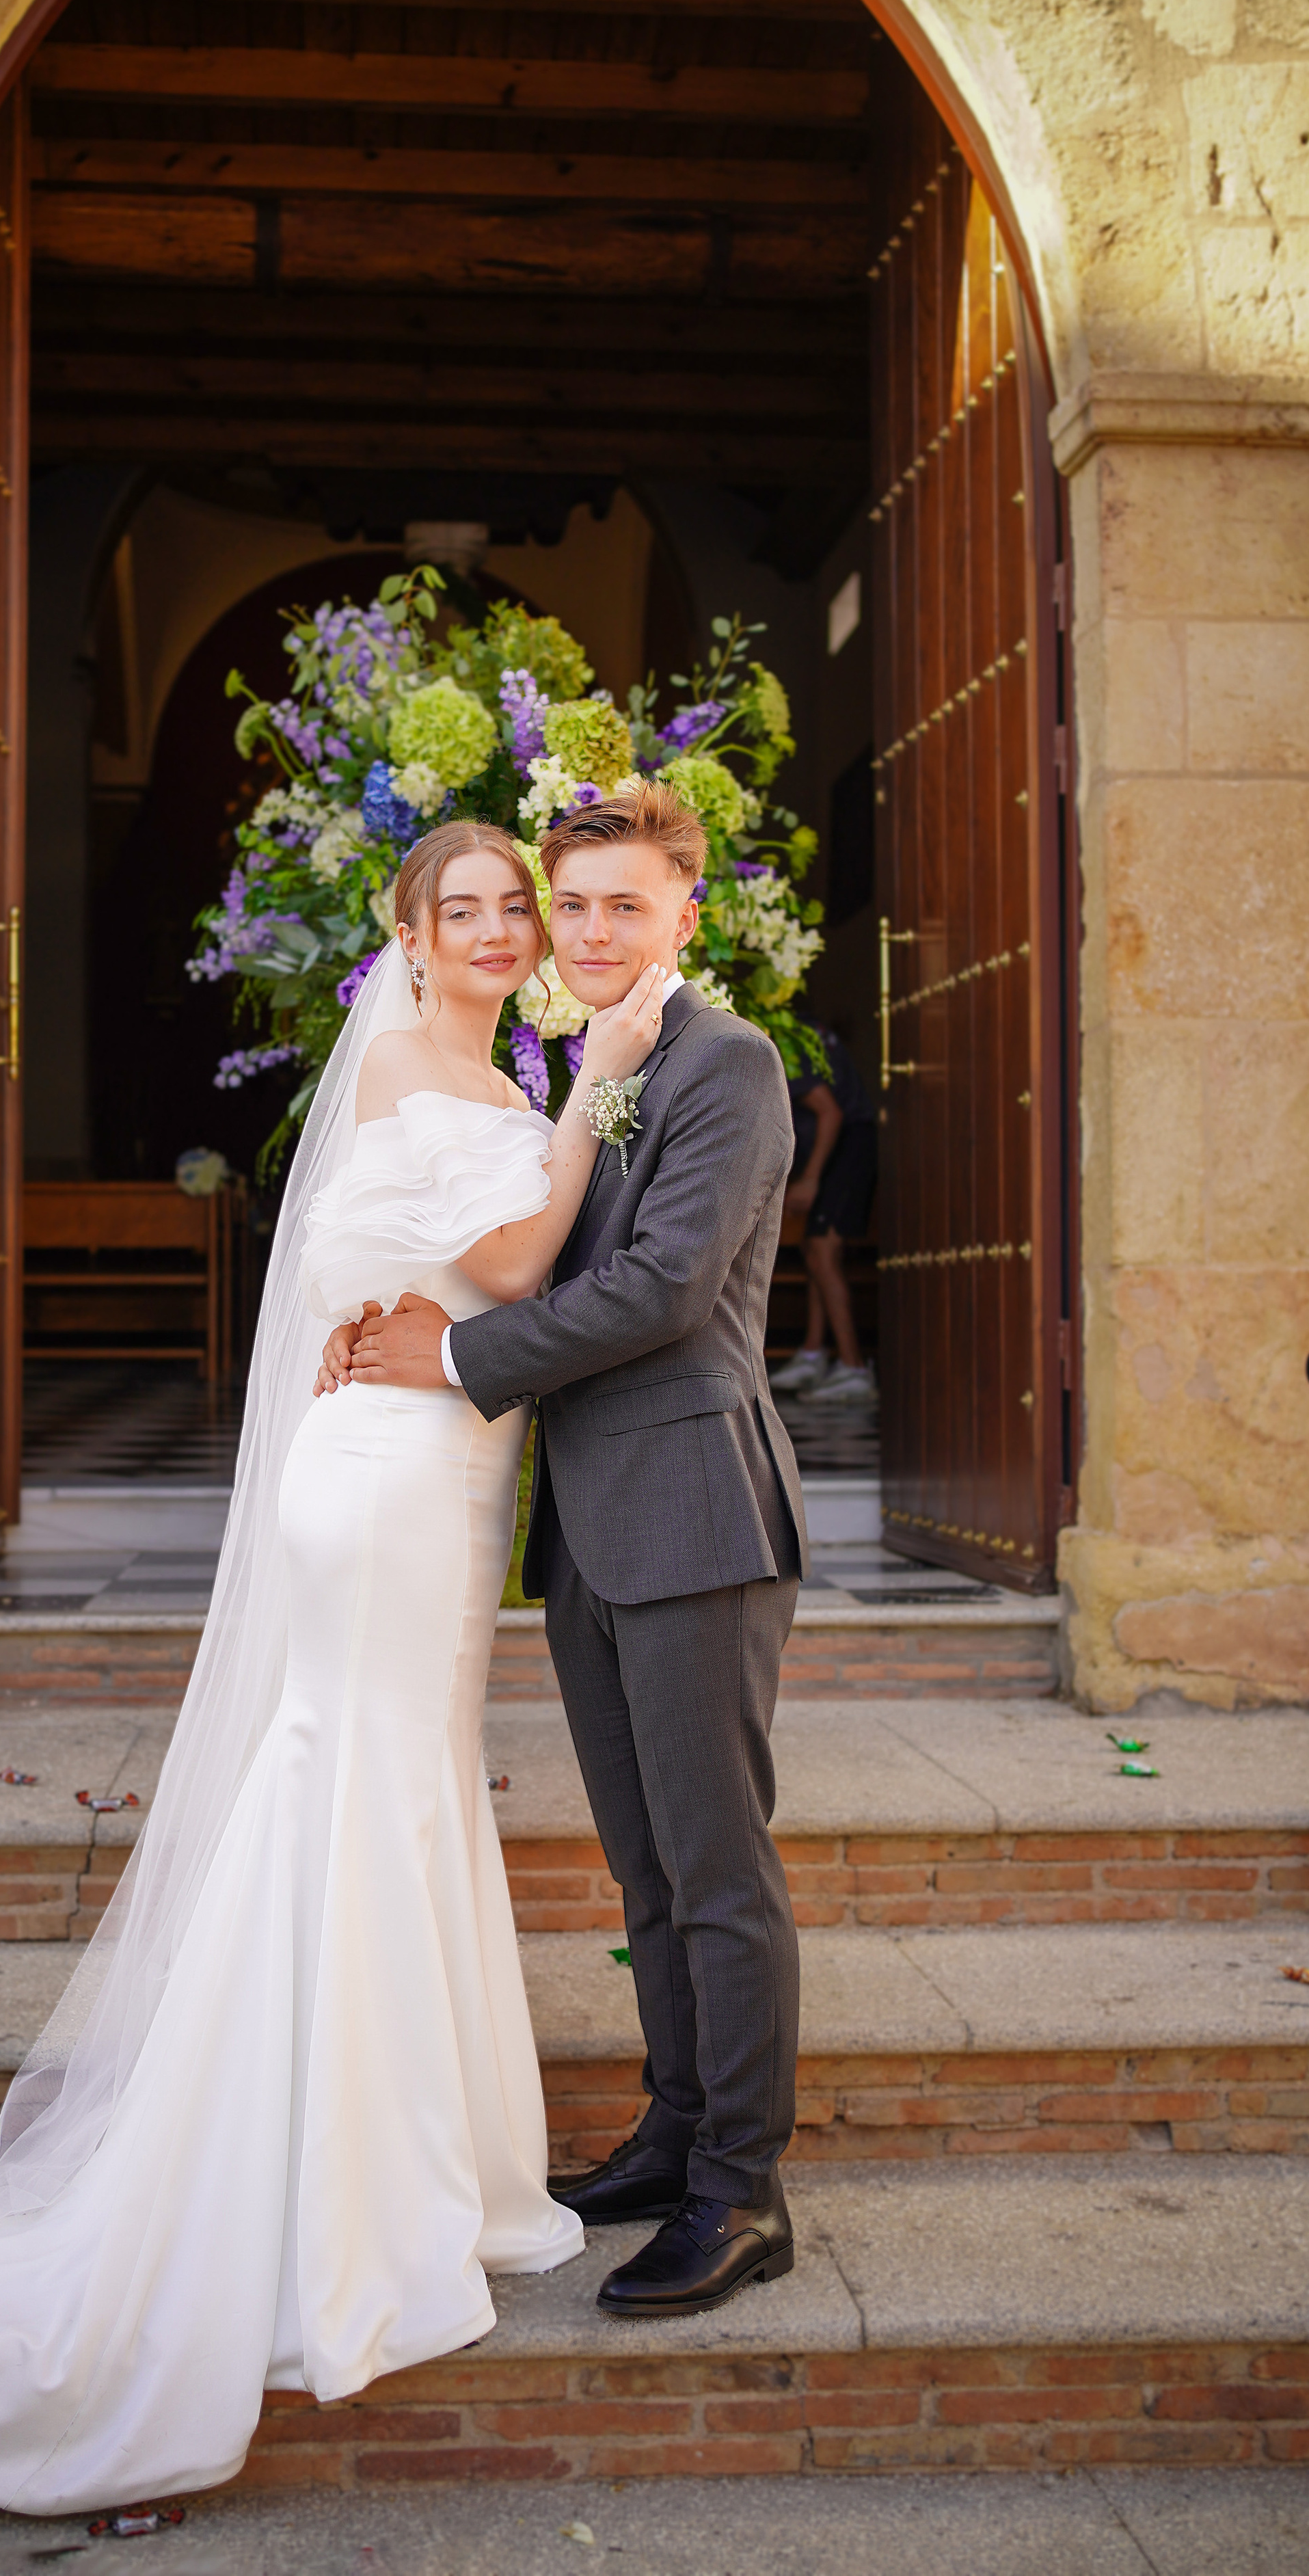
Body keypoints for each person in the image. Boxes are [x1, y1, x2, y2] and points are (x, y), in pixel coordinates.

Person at [0, 820, 666, 2515]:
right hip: (386, 1483)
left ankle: (407, 2157)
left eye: (508, 908)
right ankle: (320, 2187)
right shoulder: (418, 1072)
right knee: (358, 1785)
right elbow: (513, 1271)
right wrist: (597, 1084)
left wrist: (564, 1099)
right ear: (406, 938)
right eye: (457, 908)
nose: (489, 928)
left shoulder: (479, 1081)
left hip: (436, 1476)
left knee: (394, 1784)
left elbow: (481, 1290)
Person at [322, 781, 807, 2321]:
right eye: (573, 904)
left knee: (716, 1867)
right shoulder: (589, 1067)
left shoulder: (726, 1066)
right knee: (645, 1865)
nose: (590, 932)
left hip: (689, 1508)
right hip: (586, 1523)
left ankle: (740, 2192)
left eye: (622, 905)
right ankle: (672, 2137)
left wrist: (457, 1362)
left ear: (686, 913)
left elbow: (663, 1291)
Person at [767, 1024, 878, 1405]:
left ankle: (853, 1367)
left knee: (824, 1253)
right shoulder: (802, 1031)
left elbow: (829, 1112)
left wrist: (811, 1178)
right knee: (816, 1251)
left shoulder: (788, 1040)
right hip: (839, 1153)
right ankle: (814, 1353)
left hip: (848, 1151)